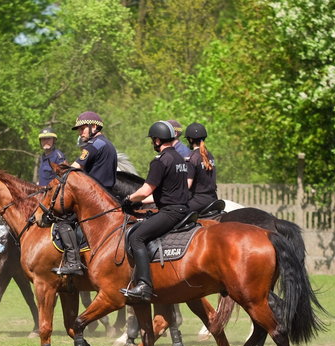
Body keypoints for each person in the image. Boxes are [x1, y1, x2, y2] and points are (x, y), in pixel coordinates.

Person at [120, 121, 190, 302]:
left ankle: (144, 284)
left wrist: (128, 199)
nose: (153, 143)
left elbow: (144, 190)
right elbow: (166, 192)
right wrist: (141, 201)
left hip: (170, 213)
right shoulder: (180, 159)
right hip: (184, 210)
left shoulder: (161, 161)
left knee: (136, 237)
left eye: (153, 140)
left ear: (158, 140)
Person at [51, 110, 118, 275]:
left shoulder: (94, 145)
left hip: (92, 199)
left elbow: (73, 170)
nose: (80, 133)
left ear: (93, 127)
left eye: (82, 128)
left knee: (62, 220)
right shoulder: (108, 144)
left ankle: (73, 262)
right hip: (106, 195)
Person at [183, 122, 218, 213]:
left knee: (175, 212)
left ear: (190, 140)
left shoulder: (192, 158)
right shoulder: (209, 155)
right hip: (213, 199)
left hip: (198, 201)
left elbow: (187, 185)